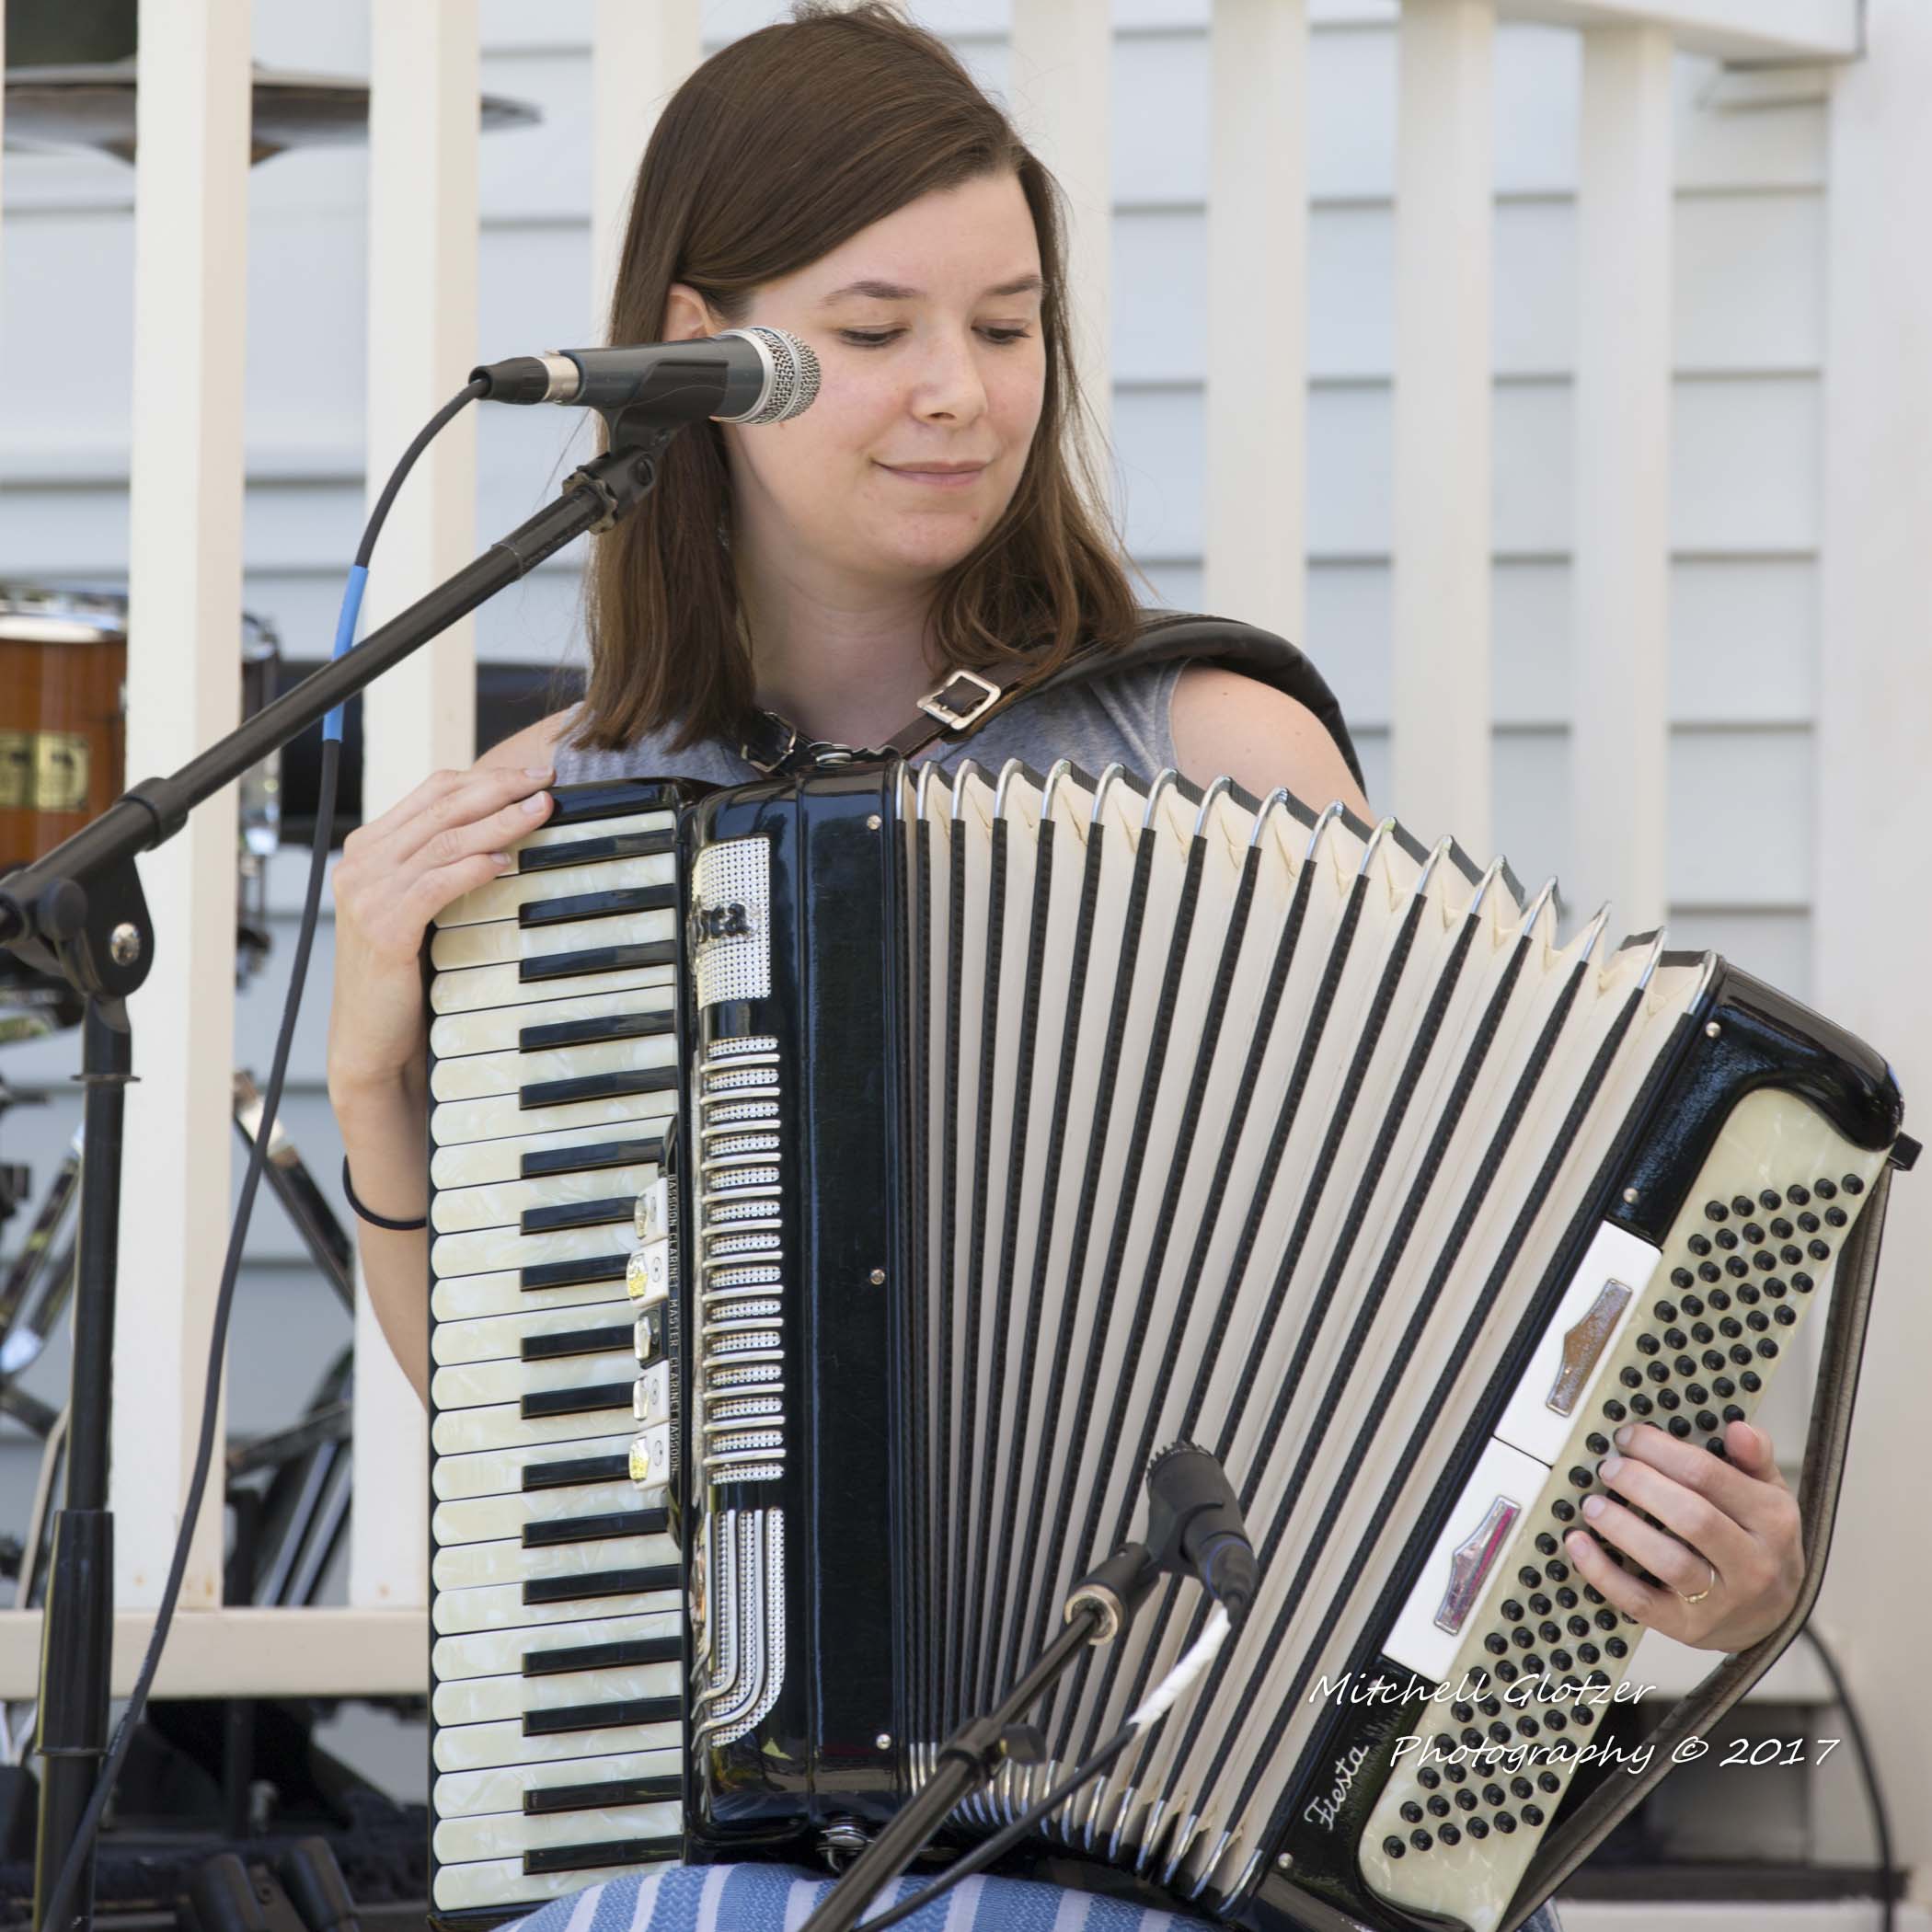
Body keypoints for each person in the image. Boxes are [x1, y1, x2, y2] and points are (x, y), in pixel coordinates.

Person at [325, 8, 1804, 1930]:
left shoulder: (1211, 755)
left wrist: (1694, 1573)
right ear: (703, 344)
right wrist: (374, 1079)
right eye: (875, 334)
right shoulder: (569, 821)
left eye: (1008, 329)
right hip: (739, 1834)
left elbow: (1434, 1329)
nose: (962, 391)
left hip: (1192, 1816)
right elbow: (565, 1483)